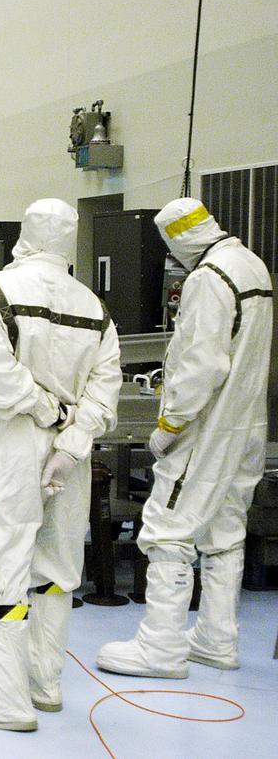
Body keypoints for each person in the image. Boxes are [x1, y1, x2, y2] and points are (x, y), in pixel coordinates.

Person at [0, 198, 120, 732]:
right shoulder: (94, 306)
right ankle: (45, 683)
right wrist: (71, 442)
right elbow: (105, 389)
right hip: (70, 454)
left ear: (27, 233)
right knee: (58, 565)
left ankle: (4, 699)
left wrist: (46, 412)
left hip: (13, 445)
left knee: (4, 563)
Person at [97, 199, 273, 679]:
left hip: (206, 429)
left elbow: (202, 363)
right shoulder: (250, 264)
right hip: (246, 425)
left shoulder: (208, 277)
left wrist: (170, 425)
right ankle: (216, 638)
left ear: (175, 238)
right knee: (224, 531)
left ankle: (161, 647)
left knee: (167, 529)